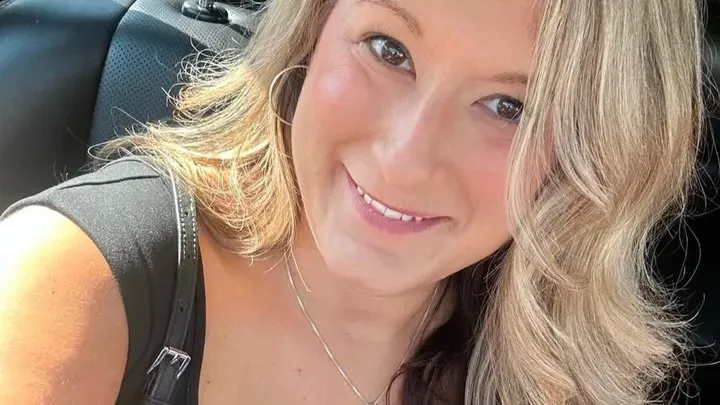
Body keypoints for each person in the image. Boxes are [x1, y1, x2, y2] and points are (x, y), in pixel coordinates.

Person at [0, 0, 705, 404]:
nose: (405, 159)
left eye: (508, 106)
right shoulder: (74, 279)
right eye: (387, 49)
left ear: (587, 157)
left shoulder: (553, 367)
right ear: (312, 30)